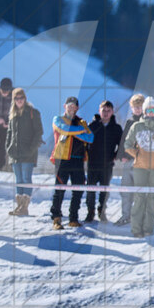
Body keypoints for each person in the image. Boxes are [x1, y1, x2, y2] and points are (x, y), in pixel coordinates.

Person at [124, 97, 154, 238]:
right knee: (139, 198)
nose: (150, 112)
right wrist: (137, 154)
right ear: (144, 111)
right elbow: (127, 144)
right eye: (148, 110)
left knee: (152, 199)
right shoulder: (137, 127)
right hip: (140, 168)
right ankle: (136, 229)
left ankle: (148, 228)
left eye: (153, 110)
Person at [49, 97, 93, 230]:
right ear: (65, 106)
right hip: (62, 159)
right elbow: (63, 129)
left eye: (74, 106)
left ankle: (73, 218)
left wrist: (74, 132)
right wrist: (79, 131)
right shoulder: (58, 119)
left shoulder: (82, 122)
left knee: (78, 190)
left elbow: (90, 137)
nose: (71, 108)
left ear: (77, 108)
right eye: (69, 106)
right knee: (60, 189)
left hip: (78, 160)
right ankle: (56, 218)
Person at [4, 88, 42, 217]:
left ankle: (24, 207)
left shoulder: (33, 113)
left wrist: (31, 149)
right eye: (16, 98)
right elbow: (9, 133)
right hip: (14, 154)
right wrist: (8, 147)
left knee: (26, 179)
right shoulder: (12, 115)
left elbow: (38, 132)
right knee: (18, 179)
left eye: (21, 98)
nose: (19, 101)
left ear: (25, 99)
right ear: (13, 100)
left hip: (28, 154)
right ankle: (19, 206)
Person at [85, 100, 123, 223]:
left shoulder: (116, 128)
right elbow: (85, 143)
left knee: (104, 190)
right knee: (90, 189)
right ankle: (90, 212)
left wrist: (115, 156)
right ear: (99, 111)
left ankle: (102, 211)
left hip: (107, 164)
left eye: (108, 111)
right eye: (104, 110)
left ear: (112, 112)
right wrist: (86, 154)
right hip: (93, 164)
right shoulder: (92, 126)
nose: (106, 113)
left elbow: (121, 145)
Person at [115, 94, 144, 226]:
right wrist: (121, 155)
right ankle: (125, 215)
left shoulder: (148, 122)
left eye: (140, 106)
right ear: (132, 108)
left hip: (142, 163)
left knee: (140, 192)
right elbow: (123, 141)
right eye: (135, 107)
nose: (137, 109)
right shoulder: (129, 122)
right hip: (128, 161)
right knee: (126, 190)